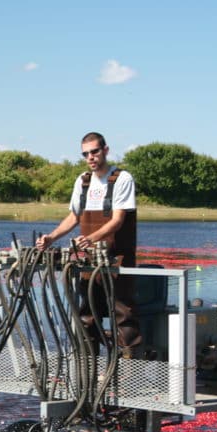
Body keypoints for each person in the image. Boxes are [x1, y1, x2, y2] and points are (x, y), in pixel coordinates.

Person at [36, 131, 141, 353]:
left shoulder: (122, 179)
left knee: (123, 316)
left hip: (117, 260)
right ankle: (89, 374)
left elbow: (117, 220)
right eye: (85, 154)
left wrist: (90, 239)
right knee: (87, 316)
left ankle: (129, 376)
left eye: (94, 151)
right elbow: (74, 216)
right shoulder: (82, 181)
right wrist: (51, 237)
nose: (90, 157)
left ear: (105, 150)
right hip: (89, 262)